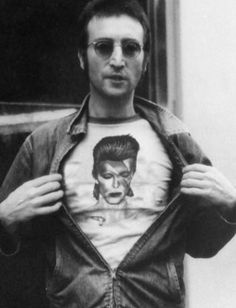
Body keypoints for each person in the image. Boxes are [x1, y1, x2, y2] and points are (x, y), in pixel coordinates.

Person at [0, 0, 236, 307]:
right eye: (102, 46)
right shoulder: (44, 144)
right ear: (82, 57)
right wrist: (3, 218)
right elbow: (13, 252)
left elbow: (203, 245)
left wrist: (232, 207)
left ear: (146, 59)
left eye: (130, 47)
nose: (117, 59)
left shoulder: (176, 142)